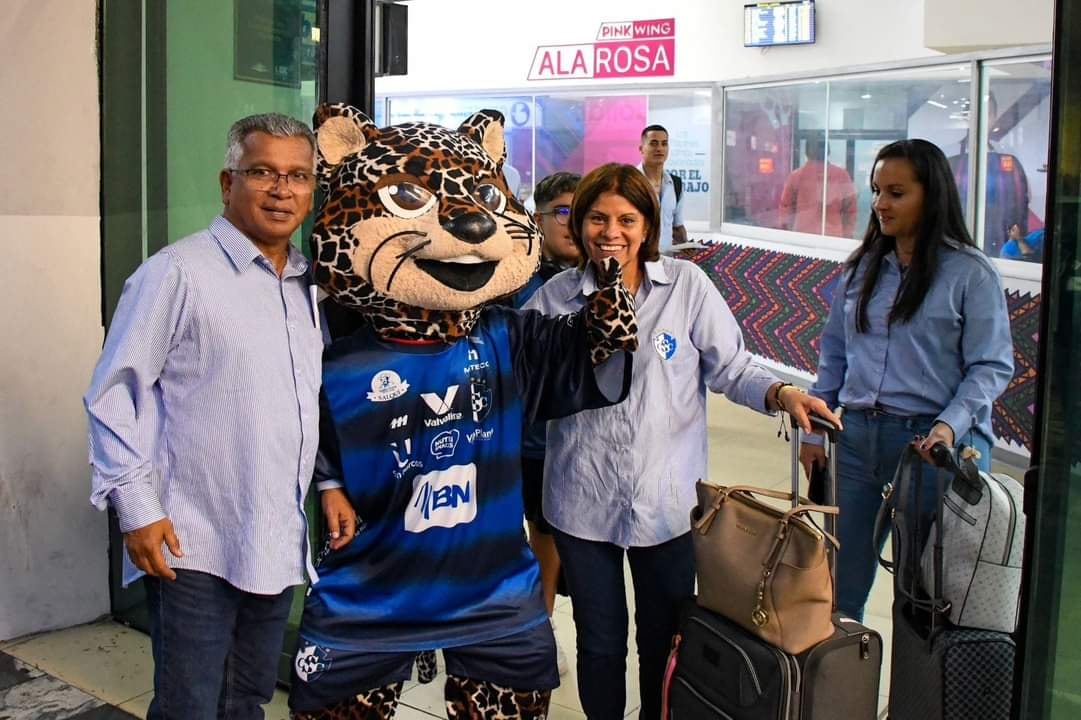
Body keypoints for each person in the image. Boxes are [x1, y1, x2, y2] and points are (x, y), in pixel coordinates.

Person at [524, 163, 839, 720]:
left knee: (664, 640)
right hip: (580, 501)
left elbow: (733, 367)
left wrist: (782, 391)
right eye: (597, 217)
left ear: (648, 225)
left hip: (666, 505)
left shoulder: (686, 288)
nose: (611, 232)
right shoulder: (553, 299)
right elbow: (520, 379)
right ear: (580, 226)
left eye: (627, 218)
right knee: (599, 645)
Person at [85, 113, 323, 720]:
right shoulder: (178, 273)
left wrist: (329, 483)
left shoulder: (306, 286)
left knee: (246, 698)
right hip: (192, 537)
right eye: (263, 172)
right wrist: (137, 510)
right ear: (227, 182)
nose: (281, 189)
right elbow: (114, 392)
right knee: (190, 705)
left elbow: (300, 405)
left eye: (297, 176)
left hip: (275, 535)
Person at [800, 138, 1015, 621]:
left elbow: (992, 365)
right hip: (855, 439)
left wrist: (949, 427)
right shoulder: (861, 268)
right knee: (839, 585)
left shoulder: (970, 273)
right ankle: (843, 690)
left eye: (896, 192)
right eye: (877, 190)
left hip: (929, 450)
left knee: (923, 595)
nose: (879, 204)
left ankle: (912, 697)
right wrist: (814, 428)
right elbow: (834, 352)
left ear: (931, 195)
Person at [509, 171, 582, 676]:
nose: (573, 224)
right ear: (537, 217)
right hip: (506, 437)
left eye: (583, 214)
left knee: (548, 535)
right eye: (563, 212)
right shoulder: (512, 276)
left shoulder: (600, 278)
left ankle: (540, 625)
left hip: (561, 443)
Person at [779, 135, 858, 238]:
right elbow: (850, 210)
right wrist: (847, 235)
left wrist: (786, 234)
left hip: (802, 237)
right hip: (833, 237)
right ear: (828, 151)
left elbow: (786, 208)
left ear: (806, 152)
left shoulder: (796, 176)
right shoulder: (842, 175)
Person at [637, 124, 688, 254]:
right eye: (653, 143)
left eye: (664, 144)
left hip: (666, 261)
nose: (659, 148)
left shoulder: (676, 184)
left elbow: (676, 226)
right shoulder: (629, 182)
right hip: (636, 260)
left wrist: (686, 244)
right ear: (641, 149)